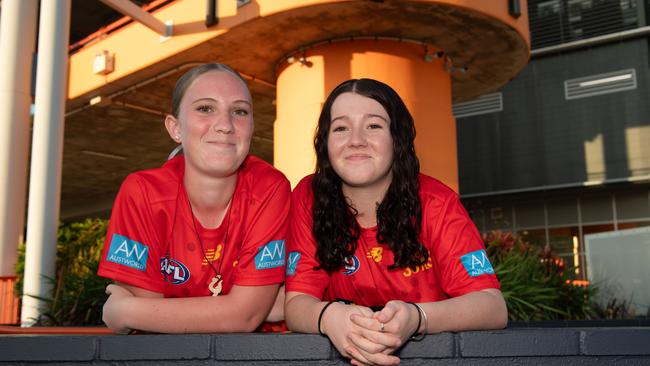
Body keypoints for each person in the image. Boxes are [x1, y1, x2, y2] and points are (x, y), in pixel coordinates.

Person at [285, 78, 507, 365]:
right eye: (341, 128)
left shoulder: (436, 201)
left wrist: (417, 317)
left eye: (373, 125)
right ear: (325, 143)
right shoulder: (308, 197)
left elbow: (492, 306)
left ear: (397, 139)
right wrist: (330, 318)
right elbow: (296, 305)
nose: (356, 140)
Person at [98, 63, 290, 334]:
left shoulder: (269, 187)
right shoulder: (142, 192)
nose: (225, 125)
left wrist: (127, 311)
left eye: (239, 111)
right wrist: (253, 306)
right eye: (205, 108)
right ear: (175, 128)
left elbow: (243, 317)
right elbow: (152, 330)